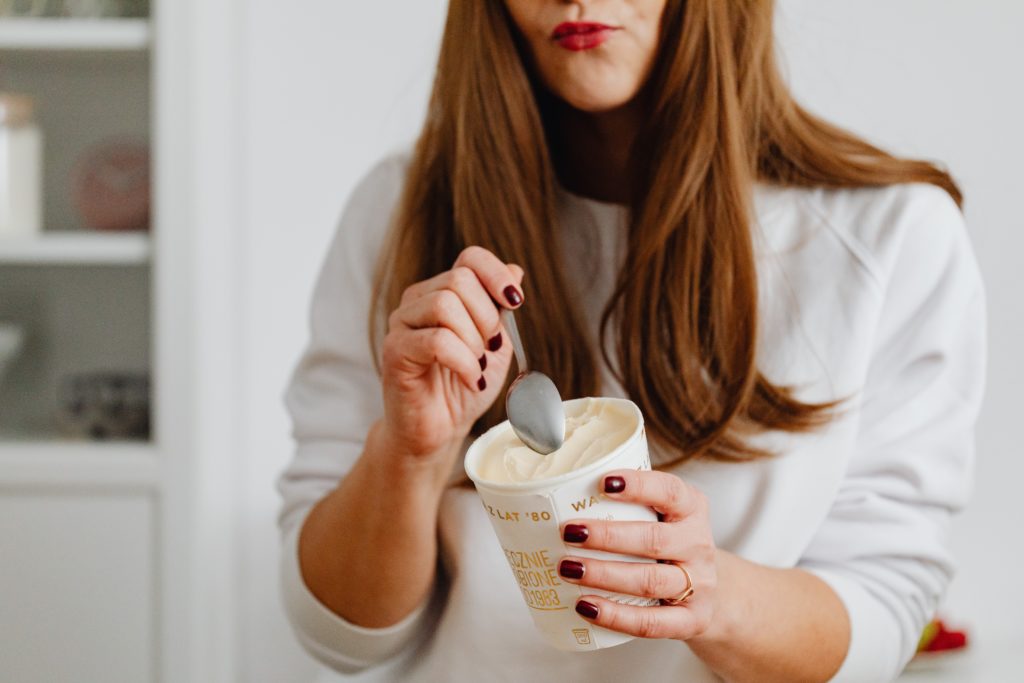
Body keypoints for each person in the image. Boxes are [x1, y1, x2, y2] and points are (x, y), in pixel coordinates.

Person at [277, 1, 986, 681]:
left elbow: (883, 610)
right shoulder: (398, 214)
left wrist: (714, 597)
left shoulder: (892, 237)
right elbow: (337, 636)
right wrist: (410, 456)